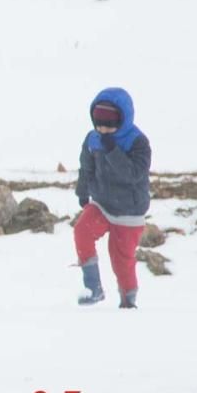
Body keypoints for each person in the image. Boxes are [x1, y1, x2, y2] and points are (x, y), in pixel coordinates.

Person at [74, 87, 151, 309]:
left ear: (123, 119)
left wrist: (112, 151)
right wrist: (83, 191)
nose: (103, 129)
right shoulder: (93, 139)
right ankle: (93, 288)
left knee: (121, 260)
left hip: (129, 211)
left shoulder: (138, 142)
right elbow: (86, 168)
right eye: (98, 123)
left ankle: (128, 301)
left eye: (109, 124)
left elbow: (133, 174)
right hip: (102, 204)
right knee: (82, 230)